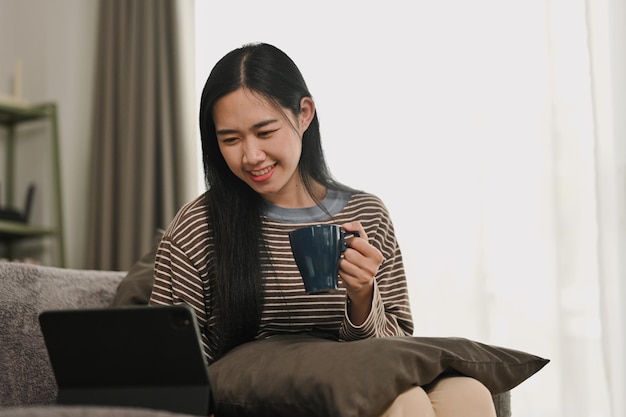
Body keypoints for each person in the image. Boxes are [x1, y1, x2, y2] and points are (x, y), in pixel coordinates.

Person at [149, 42, 496, 417]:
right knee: (403, 401)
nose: (250, 156)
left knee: (469, 392)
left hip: (356, 379)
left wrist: (363, 297)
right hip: (261, 399)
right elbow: (169, 367)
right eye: (230, 139)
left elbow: (398, 350)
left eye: (265, 132)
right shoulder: (197, 227)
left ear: (303, 114)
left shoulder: (366, 214)